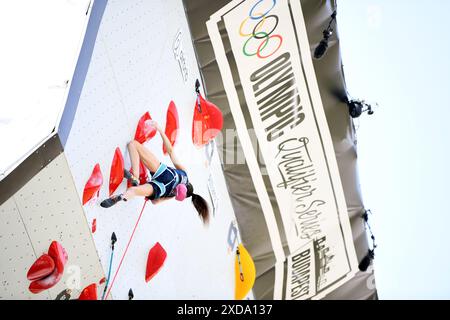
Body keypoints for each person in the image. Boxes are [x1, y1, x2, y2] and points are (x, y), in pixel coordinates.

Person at [100, 120, 210, 225]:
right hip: (161, 188)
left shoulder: (184, 174)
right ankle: (122, 196)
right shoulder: (173, 195)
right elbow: (155, 202)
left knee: (133, 145)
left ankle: (136, 176)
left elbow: (171, 152)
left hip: (163, 172)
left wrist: (160, 130)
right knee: (133, 191)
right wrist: (149, 196)